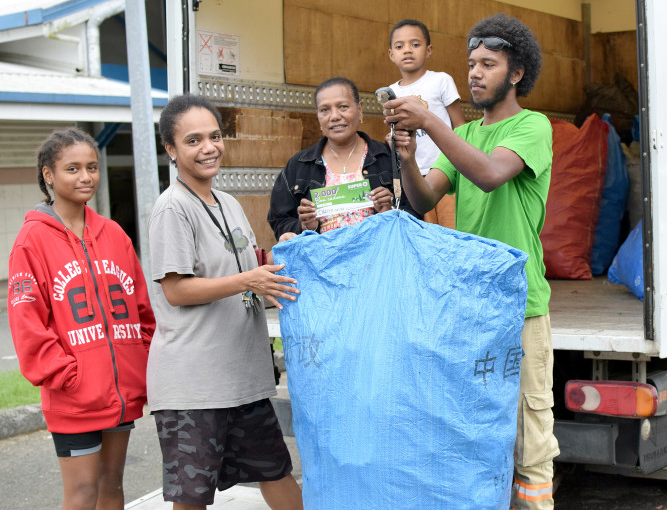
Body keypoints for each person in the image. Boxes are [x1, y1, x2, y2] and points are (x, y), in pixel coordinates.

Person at [385, 14, 560, 509]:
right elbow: (423, 198)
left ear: (517, 73)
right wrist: (406, 156)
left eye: (488, 64)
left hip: (521, 310)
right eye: (471, 64)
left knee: (529, 443)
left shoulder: (532, 126)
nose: (475, 73)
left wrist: (431, 123)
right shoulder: (466, 135)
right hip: (472, 310)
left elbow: (488, 174)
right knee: (474, 434)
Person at [146, 94, 302, 510]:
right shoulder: (172, 208)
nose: (208, 147)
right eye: (193, 140)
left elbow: (241, 270)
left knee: (277, 473)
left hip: (243, 381)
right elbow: (177, 290)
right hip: (194, 388)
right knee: (192, 497)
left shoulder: (228, 203)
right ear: (171, 149)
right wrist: (248, 279)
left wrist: (280, 254)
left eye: (214, 136)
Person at [7, 128, 156, 510]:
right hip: (73, 396)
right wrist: (68, 376)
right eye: (72, 168)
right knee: (82, 494)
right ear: (48, 174)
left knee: (113, 488)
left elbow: (141, 308)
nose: (85, 176)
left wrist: (139, 361)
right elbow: (27, 324)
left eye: (92, 167)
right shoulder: (31, 240)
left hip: (121, 392)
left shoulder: (114, 234)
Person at [268, 76, 416, 241]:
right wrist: (304, 226)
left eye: (343, 107)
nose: (334, 116)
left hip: (379, 254)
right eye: (325, 110)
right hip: (322, 256)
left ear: (359, 109)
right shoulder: (299, 165)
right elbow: (279, 220)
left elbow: (416, 214)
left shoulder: (388, 159)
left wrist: (389, 212)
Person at [387, 19, 466, 228]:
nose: (407, 50)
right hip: (414, 177)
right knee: (427, 233)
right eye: (399, 46)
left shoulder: (441, 80)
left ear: (428, 50)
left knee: (451, 231)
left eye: (415, 44)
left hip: (446, 174)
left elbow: (460, 126)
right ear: (391, 54)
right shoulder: (391, 92)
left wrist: (462, 166)